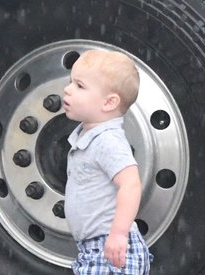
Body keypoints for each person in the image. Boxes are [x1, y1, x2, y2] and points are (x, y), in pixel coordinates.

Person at [63, 48, 152, 274]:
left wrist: (119, 234)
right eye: (71, 82)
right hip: (94, 248)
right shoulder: (89, 137)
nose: (68, 89)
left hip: (110, 248)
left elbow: (130, 184)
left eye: (80, 86)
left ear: (109, 102)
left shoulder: (108, 141)